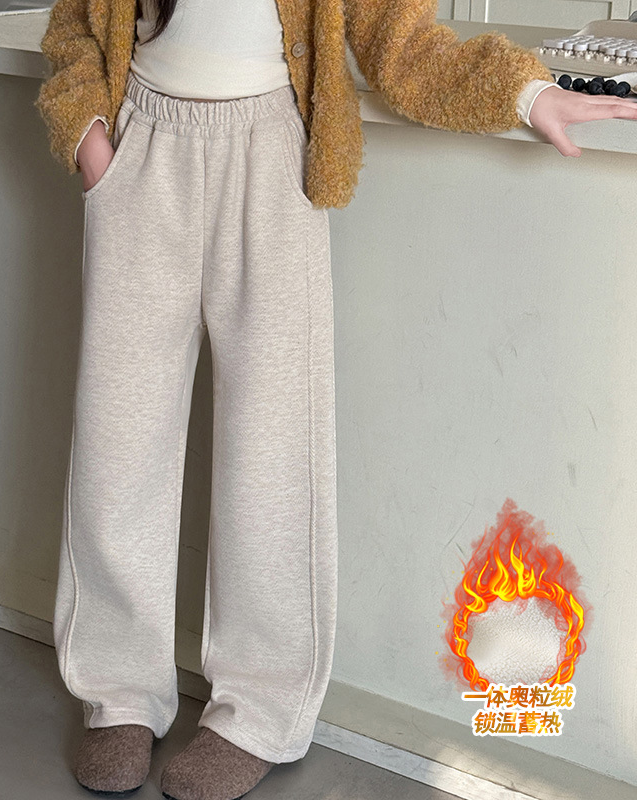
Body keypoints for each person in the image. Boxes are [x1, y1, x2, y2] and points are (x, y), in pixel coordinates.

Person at [34, 2, 637, 799]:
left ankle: (257, 710)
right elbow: (75, 28)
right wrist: (91, 141)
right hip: (141, 150)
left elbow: (399, 38)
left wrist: (526, 93)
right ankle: (117, 694)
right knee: (119, 443)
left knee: (272, 453)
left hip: (272, 159)